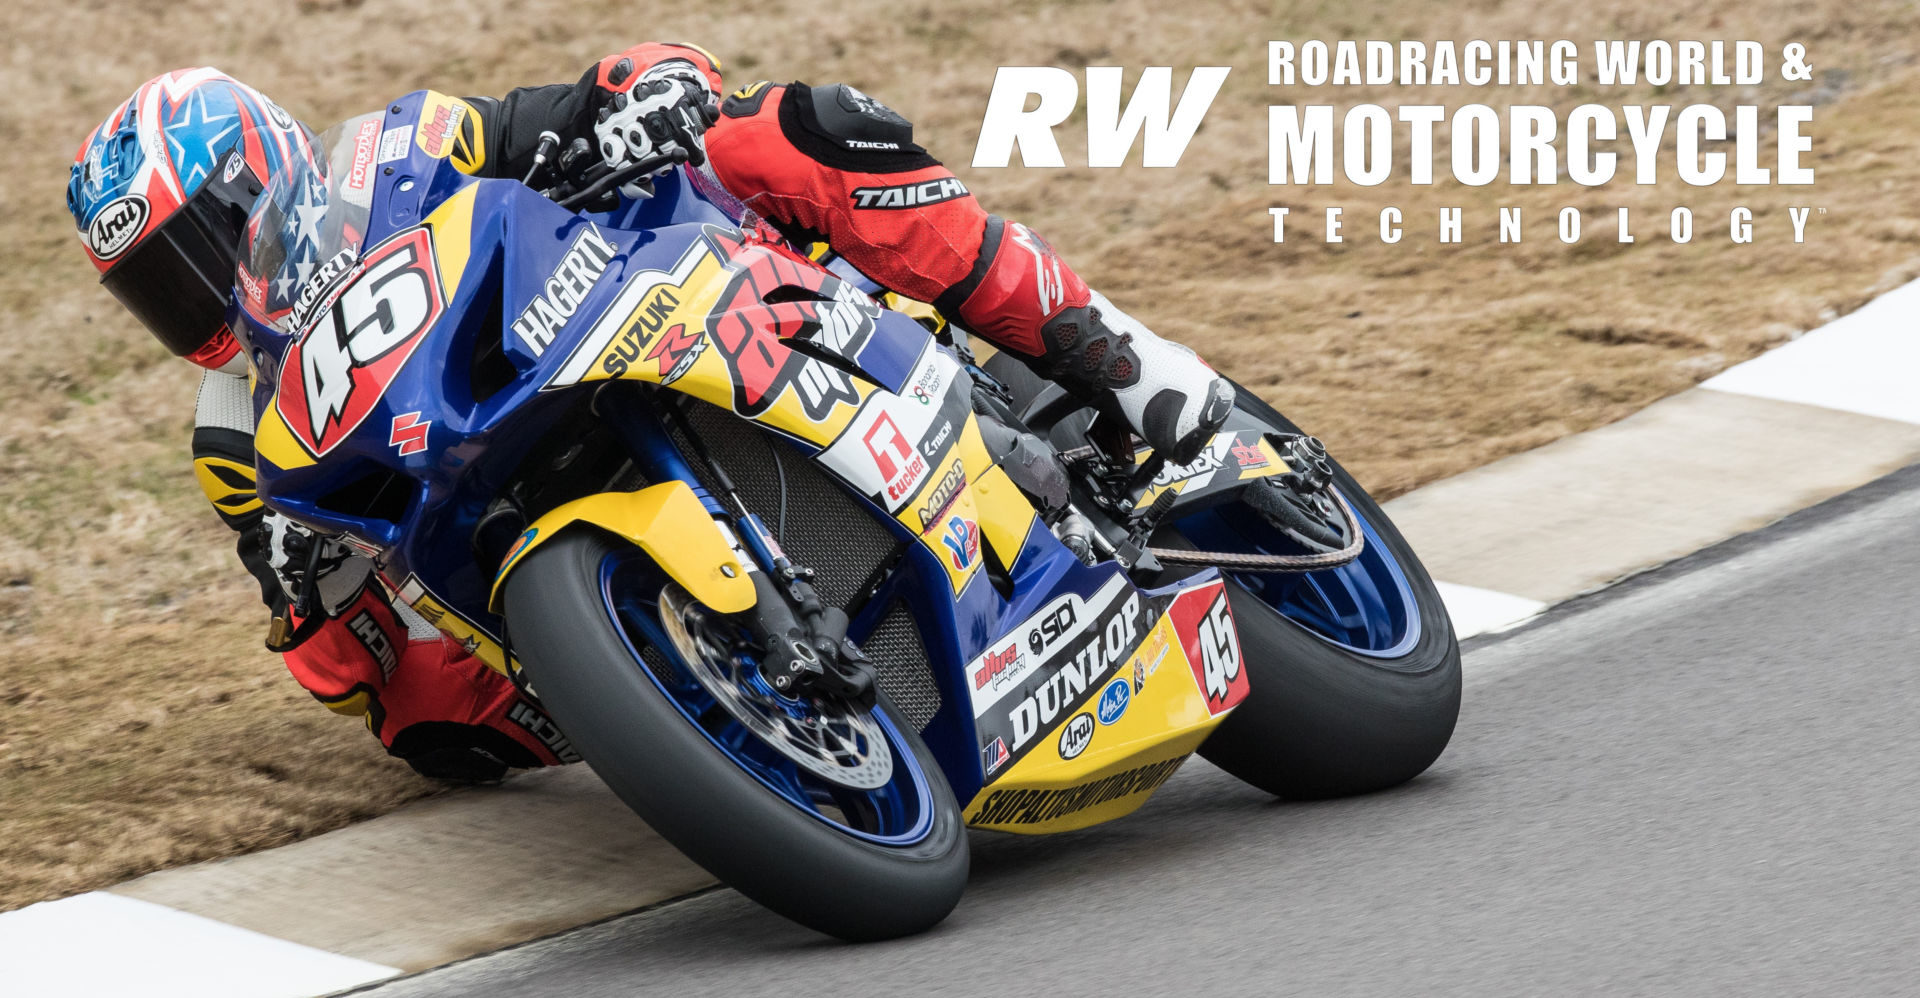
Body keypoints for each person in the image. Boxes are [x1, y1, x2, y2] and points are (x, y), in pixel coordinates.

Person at [65, 49, 1233, 782]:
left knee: (786, 127)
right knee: (439, 732)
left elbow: (571, 103)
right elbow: (363, 667)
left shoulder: (401, 149)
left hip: (647, 309)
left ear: (264, 165)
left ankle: (1117, 357)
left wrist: (636, 98)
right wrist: (302, 598)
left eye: (199, 244)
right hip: (489, 524)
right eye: (158, 287)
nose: (200, 291)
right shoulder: (239, 440)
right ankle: (707, 696)